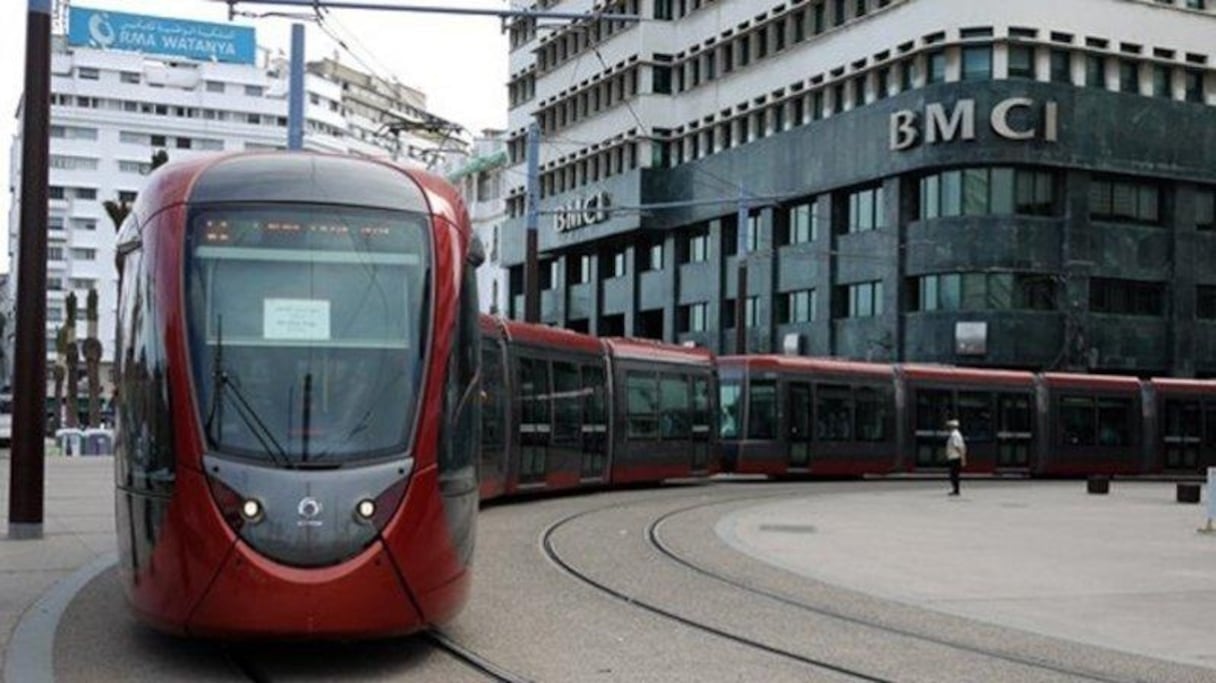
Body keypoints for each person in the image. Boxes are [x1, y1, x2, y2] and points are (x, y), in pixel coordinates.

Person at [945, 418, 967, 496]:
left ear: (953, 427)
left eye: (949, 426)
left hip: (955, 458)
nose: (947, 428)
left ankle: (956, 490)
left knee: (954, 475)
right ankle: (955, 490)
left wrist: (963, 459)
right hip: (954, 457)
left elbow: (958, 447)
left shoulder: (955, 435)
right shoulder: (956, 434)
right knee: (954, 474)